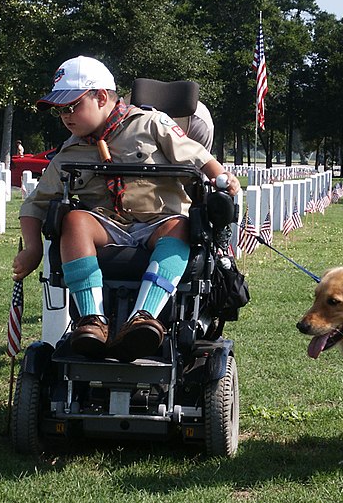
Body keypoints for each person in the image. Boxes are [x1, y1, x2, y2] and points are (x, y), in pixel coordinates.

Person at [13, 55, 240, 361]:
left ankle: (143, 318)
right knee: (75, 220)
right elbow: (35, 203)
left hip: (159, 223)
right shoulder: (71, 151)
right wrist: (32, 248)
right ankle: (92, 321)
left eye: (72, 106)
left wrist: (222, 178)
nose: (65, 116)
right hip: (105, 227)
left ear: (101, 97)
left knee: (180, 225)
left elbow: (198, 157)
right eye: (60, 111)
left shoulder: (151, 124)